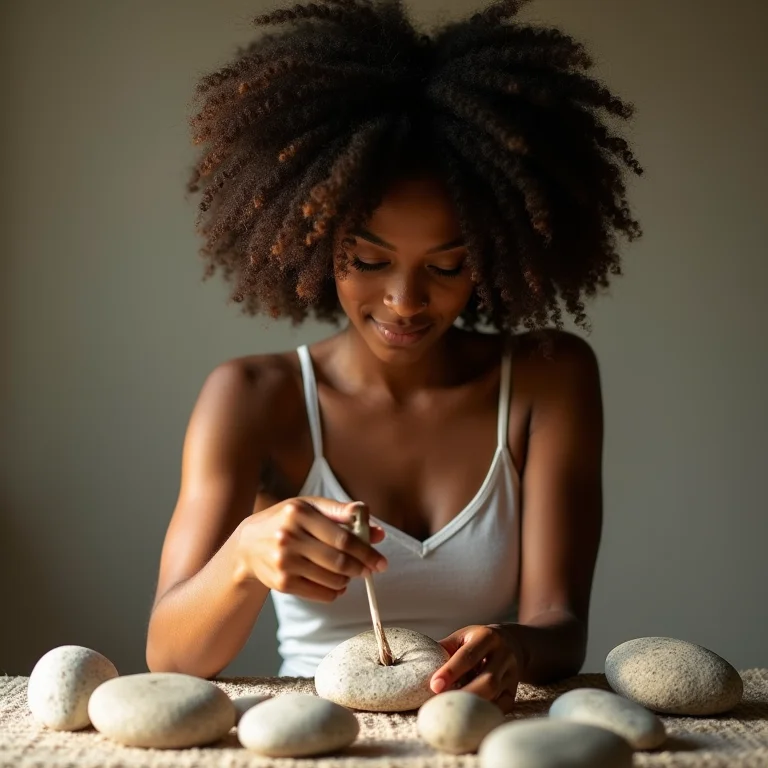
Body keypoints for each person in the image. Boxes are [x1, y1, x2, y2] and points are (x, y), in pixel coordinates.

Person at [145, 0, 643, 714]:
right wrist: (245, 557)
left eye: (447, 267)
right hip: (318, 728)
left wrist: (515, 649)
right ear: (317, 250)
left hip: (474, 724)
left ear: (495, 256)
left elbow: (559, 626)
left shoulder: (548, 378)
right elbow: (169, 654)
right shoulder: (254, 396)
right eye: (367, 260)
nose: (405, 300)